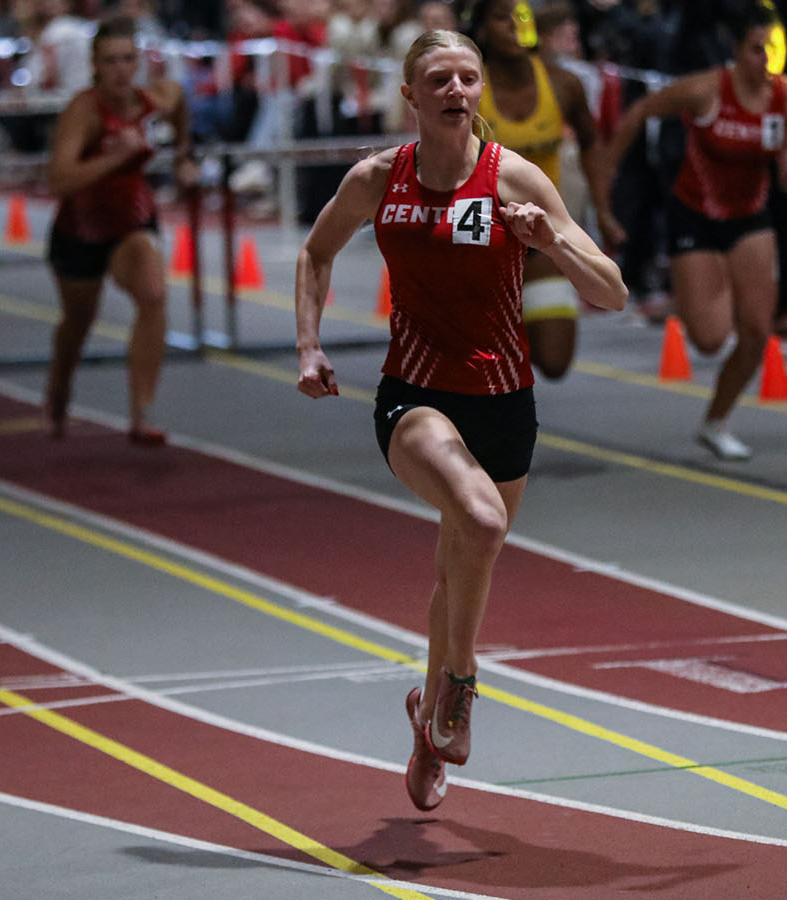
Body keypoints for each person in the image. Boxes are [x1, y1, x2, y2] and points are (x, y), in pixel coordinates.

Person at [293, 29, 625, 810]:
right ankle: (460, 687)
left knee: (457, 570)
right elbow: (315, 252)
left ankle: (426, 719)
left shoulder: (515, 178)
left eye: (467, 78)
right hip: (414, 394)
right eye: (438, 79)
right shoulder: (380, 178)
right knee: (478, 523)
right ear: (409, 95)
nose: (456, 91)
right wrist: (309, 348)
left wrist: (553, 245)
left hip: (504, 403)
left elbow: (610, 290)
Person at [595, 2, 787, 460]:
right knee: (709, 339)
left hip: (751, 218)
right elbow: (638, 114)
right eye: (756, 50)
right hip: (694, 215)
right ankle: (705, 292)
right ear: (735, 49)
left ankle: (716, 422)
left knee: (756, 332)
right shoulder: (705, 90)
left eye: (772, 50)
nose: (765, 61)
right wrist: (606, 181)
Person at [43, 16, 197, 444]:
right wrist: (115, 158)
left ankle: (141, 414)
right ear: (94, 65)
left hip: (131, 221)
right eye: (110, 61)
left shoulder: (156, 97)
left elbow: (181, 102)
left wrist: (186, 155)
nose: (121, 69)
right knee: (77, 324)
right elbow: (57, 179)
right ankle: (58, 391)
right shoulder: (85, 110)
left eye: (128, 59)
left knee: (153, 293)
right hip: (80, 231)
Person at [467, 0, 611, 379]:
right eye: (502, 19)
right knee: (479, 366)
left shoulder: (563, 84)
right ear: (482, 30)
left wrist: (604, 211)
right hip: (481, 238)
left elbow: (591, 142)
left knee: (555, 360)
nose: (514, 27)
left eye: (522, 18)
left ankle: (512, 327)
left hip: (541, 234)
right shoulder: (464, 88)